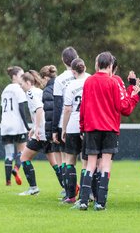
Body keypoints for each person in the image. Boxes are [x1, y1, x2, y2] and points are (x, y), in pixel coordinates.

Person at [77, 51, 139, 211]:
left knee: (90, 164)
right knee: (105, 165)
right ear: (111, 65)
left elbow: (83, 107)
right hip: (109, 129)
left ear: (97, 64)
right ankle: (100, 202)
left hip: (91, 128)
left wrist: (82, 127)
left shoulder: (88, 81)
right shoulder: (113, 83)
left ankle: (83, 201)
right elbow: (124, 108)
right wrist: (135, 96)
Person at [61, 58, 89, 204]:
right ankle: (85, 196)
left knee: (70, 161)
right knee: (87, 162)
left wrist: (63, 128)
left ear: (73, 71)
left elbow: (67, 109)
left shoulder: (71, 85)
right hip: (88, 126)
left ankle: (70, 196)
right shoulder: (91, 80)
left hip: (73, 126)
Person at [52, 46, 79, 198]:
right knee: (88, 160)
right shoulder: (85, 76)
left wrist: (55, 129)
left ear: (63, 61)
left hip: (67, 124)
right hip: (85, 123)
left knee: (66, 159)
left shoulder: (60, 79)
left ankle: (69, 194)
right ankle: (90, 194)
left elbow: (58, 105)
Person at [0, 66, 29, 186]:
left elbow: (1, 110)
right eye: (21, 75)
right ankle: (16, 168)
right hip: (17, 125)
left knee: (8, 154)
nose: (22, 78)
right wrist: (27, 126)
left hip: (6, 125)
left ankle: (8, 182)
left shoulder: (5, 90)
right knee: (22, 150)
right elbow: (22, 108)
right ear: (15, 76)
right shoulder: (19, 89)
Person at [18, 70, 46, 196]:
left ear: (28, 82)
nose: (21, 86)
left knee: (24, 157)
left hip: (41, 133)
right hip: (48, 130)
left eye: (21, 84)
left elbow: (39, 109)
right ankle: (69, 190)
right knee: (55, 163)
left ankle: (33, 187)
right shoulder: (40, 91)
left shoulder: (30, 92)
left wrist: (36, 128)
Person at [39, 65, 64, 189]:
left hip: (56, 129)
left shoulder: (48, 90)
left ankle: (69, 190)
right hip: (67, 127)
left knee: (61, 162)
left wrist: (50, 133)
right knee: (68, 160)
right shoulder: (63, 84)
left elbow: (50, 113)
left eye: (41, 79)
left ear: (45, 78)